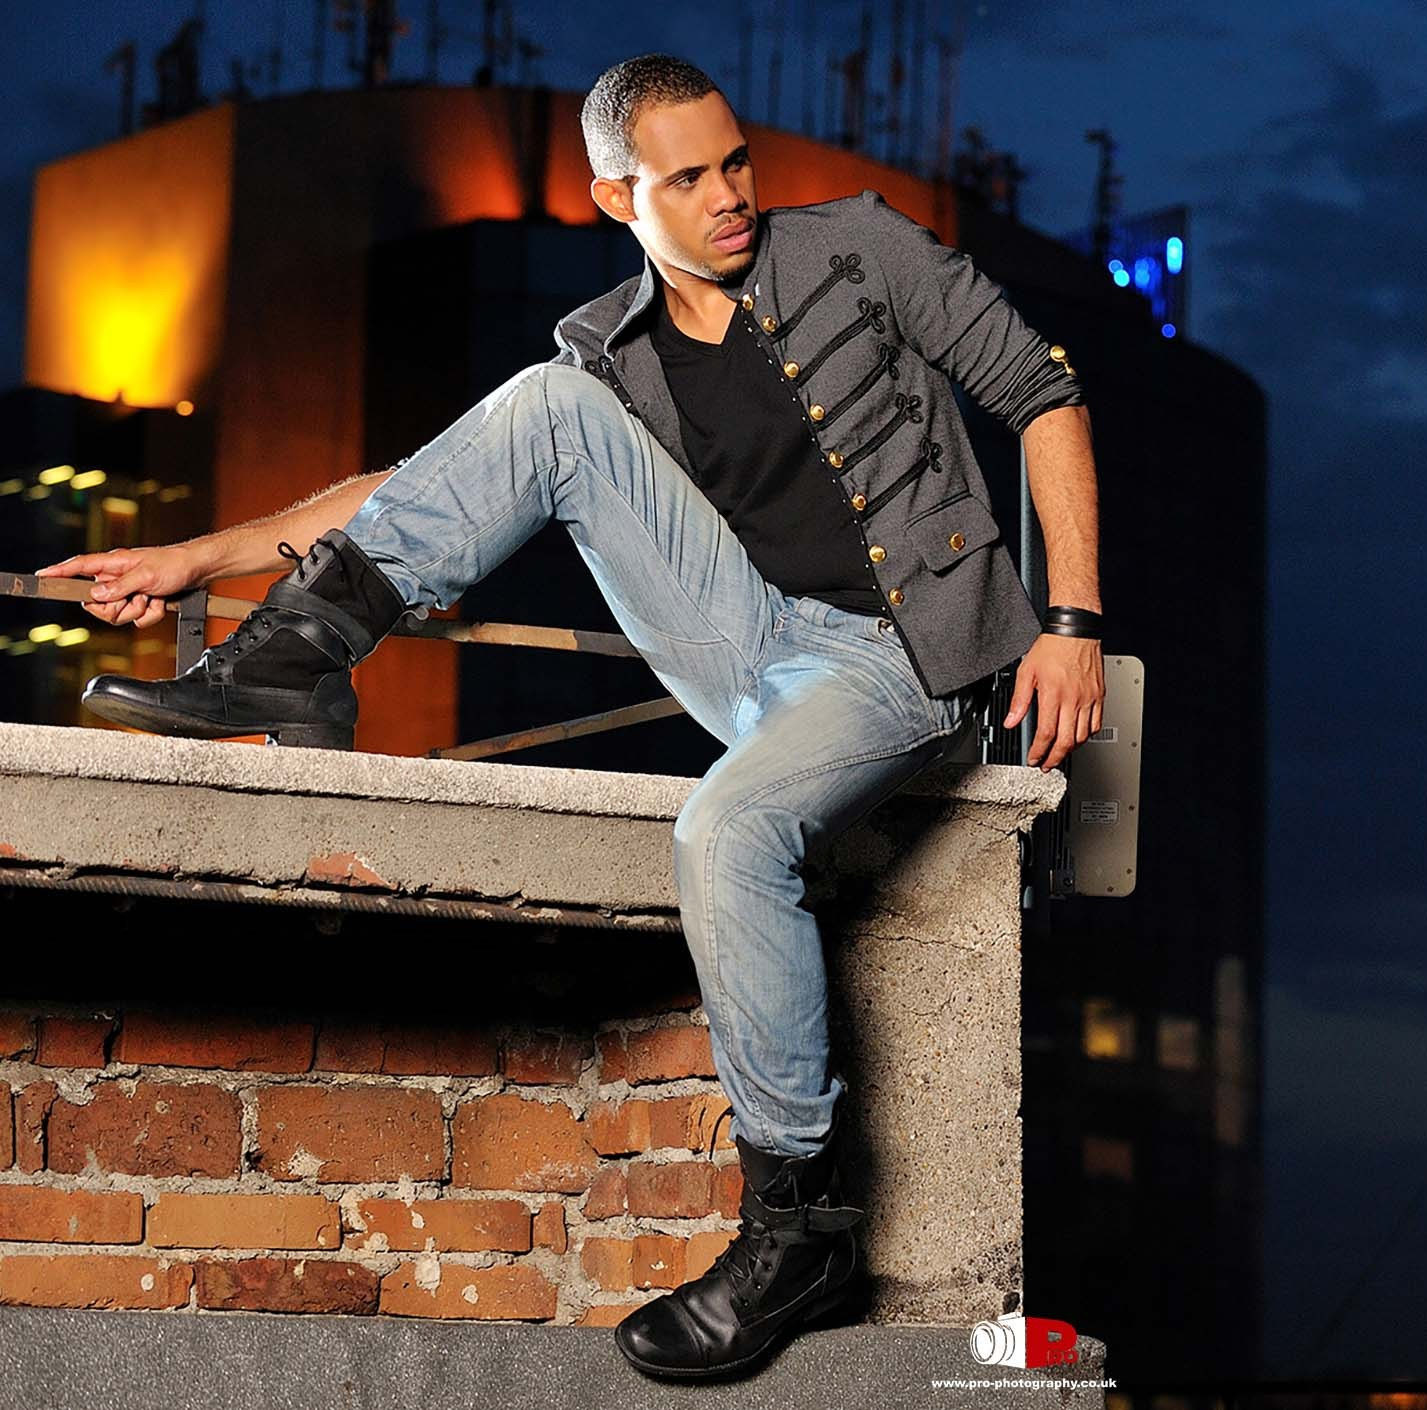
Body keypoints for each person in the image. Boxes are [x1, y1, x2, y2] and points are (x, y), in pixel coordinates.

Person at [34, 54, 1105, 1382]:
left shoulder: (859, 250)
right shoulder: (615, 349)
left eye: (736, 165)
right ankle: (302, 654)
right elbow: (422, 479)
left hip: (906, 664)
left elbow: (1043, 390)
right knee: (540, 406)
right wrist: (209, 557)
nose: (730, 197)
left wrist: (1071, 622)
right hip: (755, 643)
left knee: (728, 829)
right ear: (617, 195)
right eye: (689, 178)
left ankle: (801, 1220)